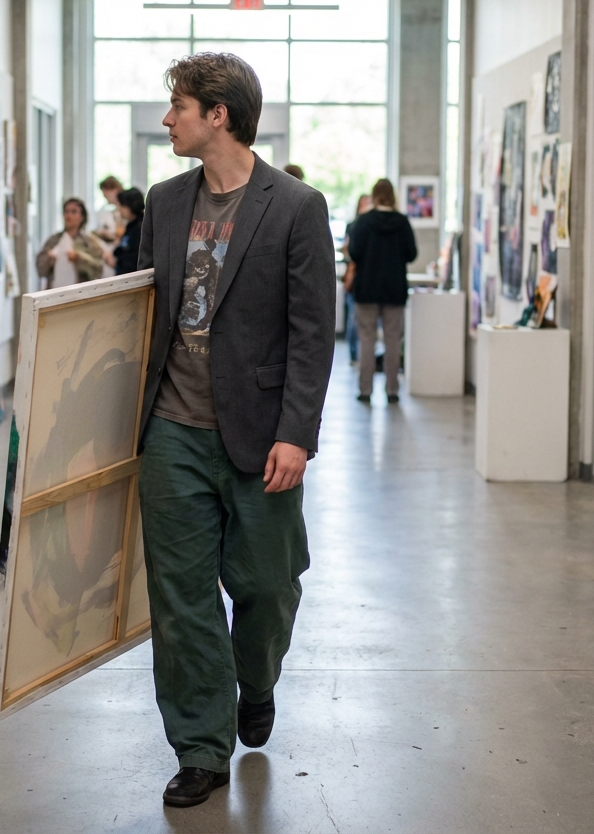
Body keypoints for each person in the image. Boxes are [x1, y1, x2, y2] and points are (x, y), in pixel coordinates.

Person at [137, 52, 335, 808]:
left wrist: (298, 434)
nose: (169, 120)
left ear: (217, 114)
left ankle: (256, 680)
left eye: (178, 107)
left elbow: (314, 331)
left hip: (260, 434)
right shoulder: (163, 201)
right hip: (171, 431)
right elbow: (143, 311)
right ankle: (201, 747)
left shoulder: (295, 206)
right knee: (182, 598)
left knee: (267, 585)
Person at [348, 177, 418, 403]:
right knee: (392, 340)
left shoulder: (364, 221)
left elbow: (355, 252)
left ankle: (365, 390)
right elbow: (411, 254)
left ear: (374, 195)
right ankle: (392, 390)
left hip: (367, 288)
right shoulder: (402, 222)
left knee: (366, 339)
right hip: (394, 289)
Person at [35, 198, 104, 289]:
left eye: (74, 212)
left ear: (82, 217)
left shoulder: (89, 242)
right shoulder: (54, 240)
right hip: (55, 292)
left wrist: (79, 258)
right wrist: (49, 258)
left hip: (81, 293)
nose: (69, 215)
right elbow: (41, 270)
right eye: (66, 211)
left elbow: (98, 270)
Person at [342, 193, 373, 364]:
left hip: (363, 278)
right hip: (354, 278)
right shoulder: (353, 225)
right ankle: (354, 354)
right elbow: (349, 251)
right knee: (353, 318)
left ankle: (361, 356)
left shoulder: (368, 225)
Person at [94, 175, 124, 277]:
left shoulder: (124, 209)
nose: (105, 197)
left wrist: (108, 235)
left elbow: (121, 234)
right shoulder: (113, 210)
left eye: (105, 194)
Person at [113, 187, 145, 276]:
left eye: (122, 205)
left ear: (131, 205)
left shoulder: (141, 227)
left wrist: (117, 262)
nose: (119, 209)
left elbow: (135, 258)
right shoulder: (131, 225)